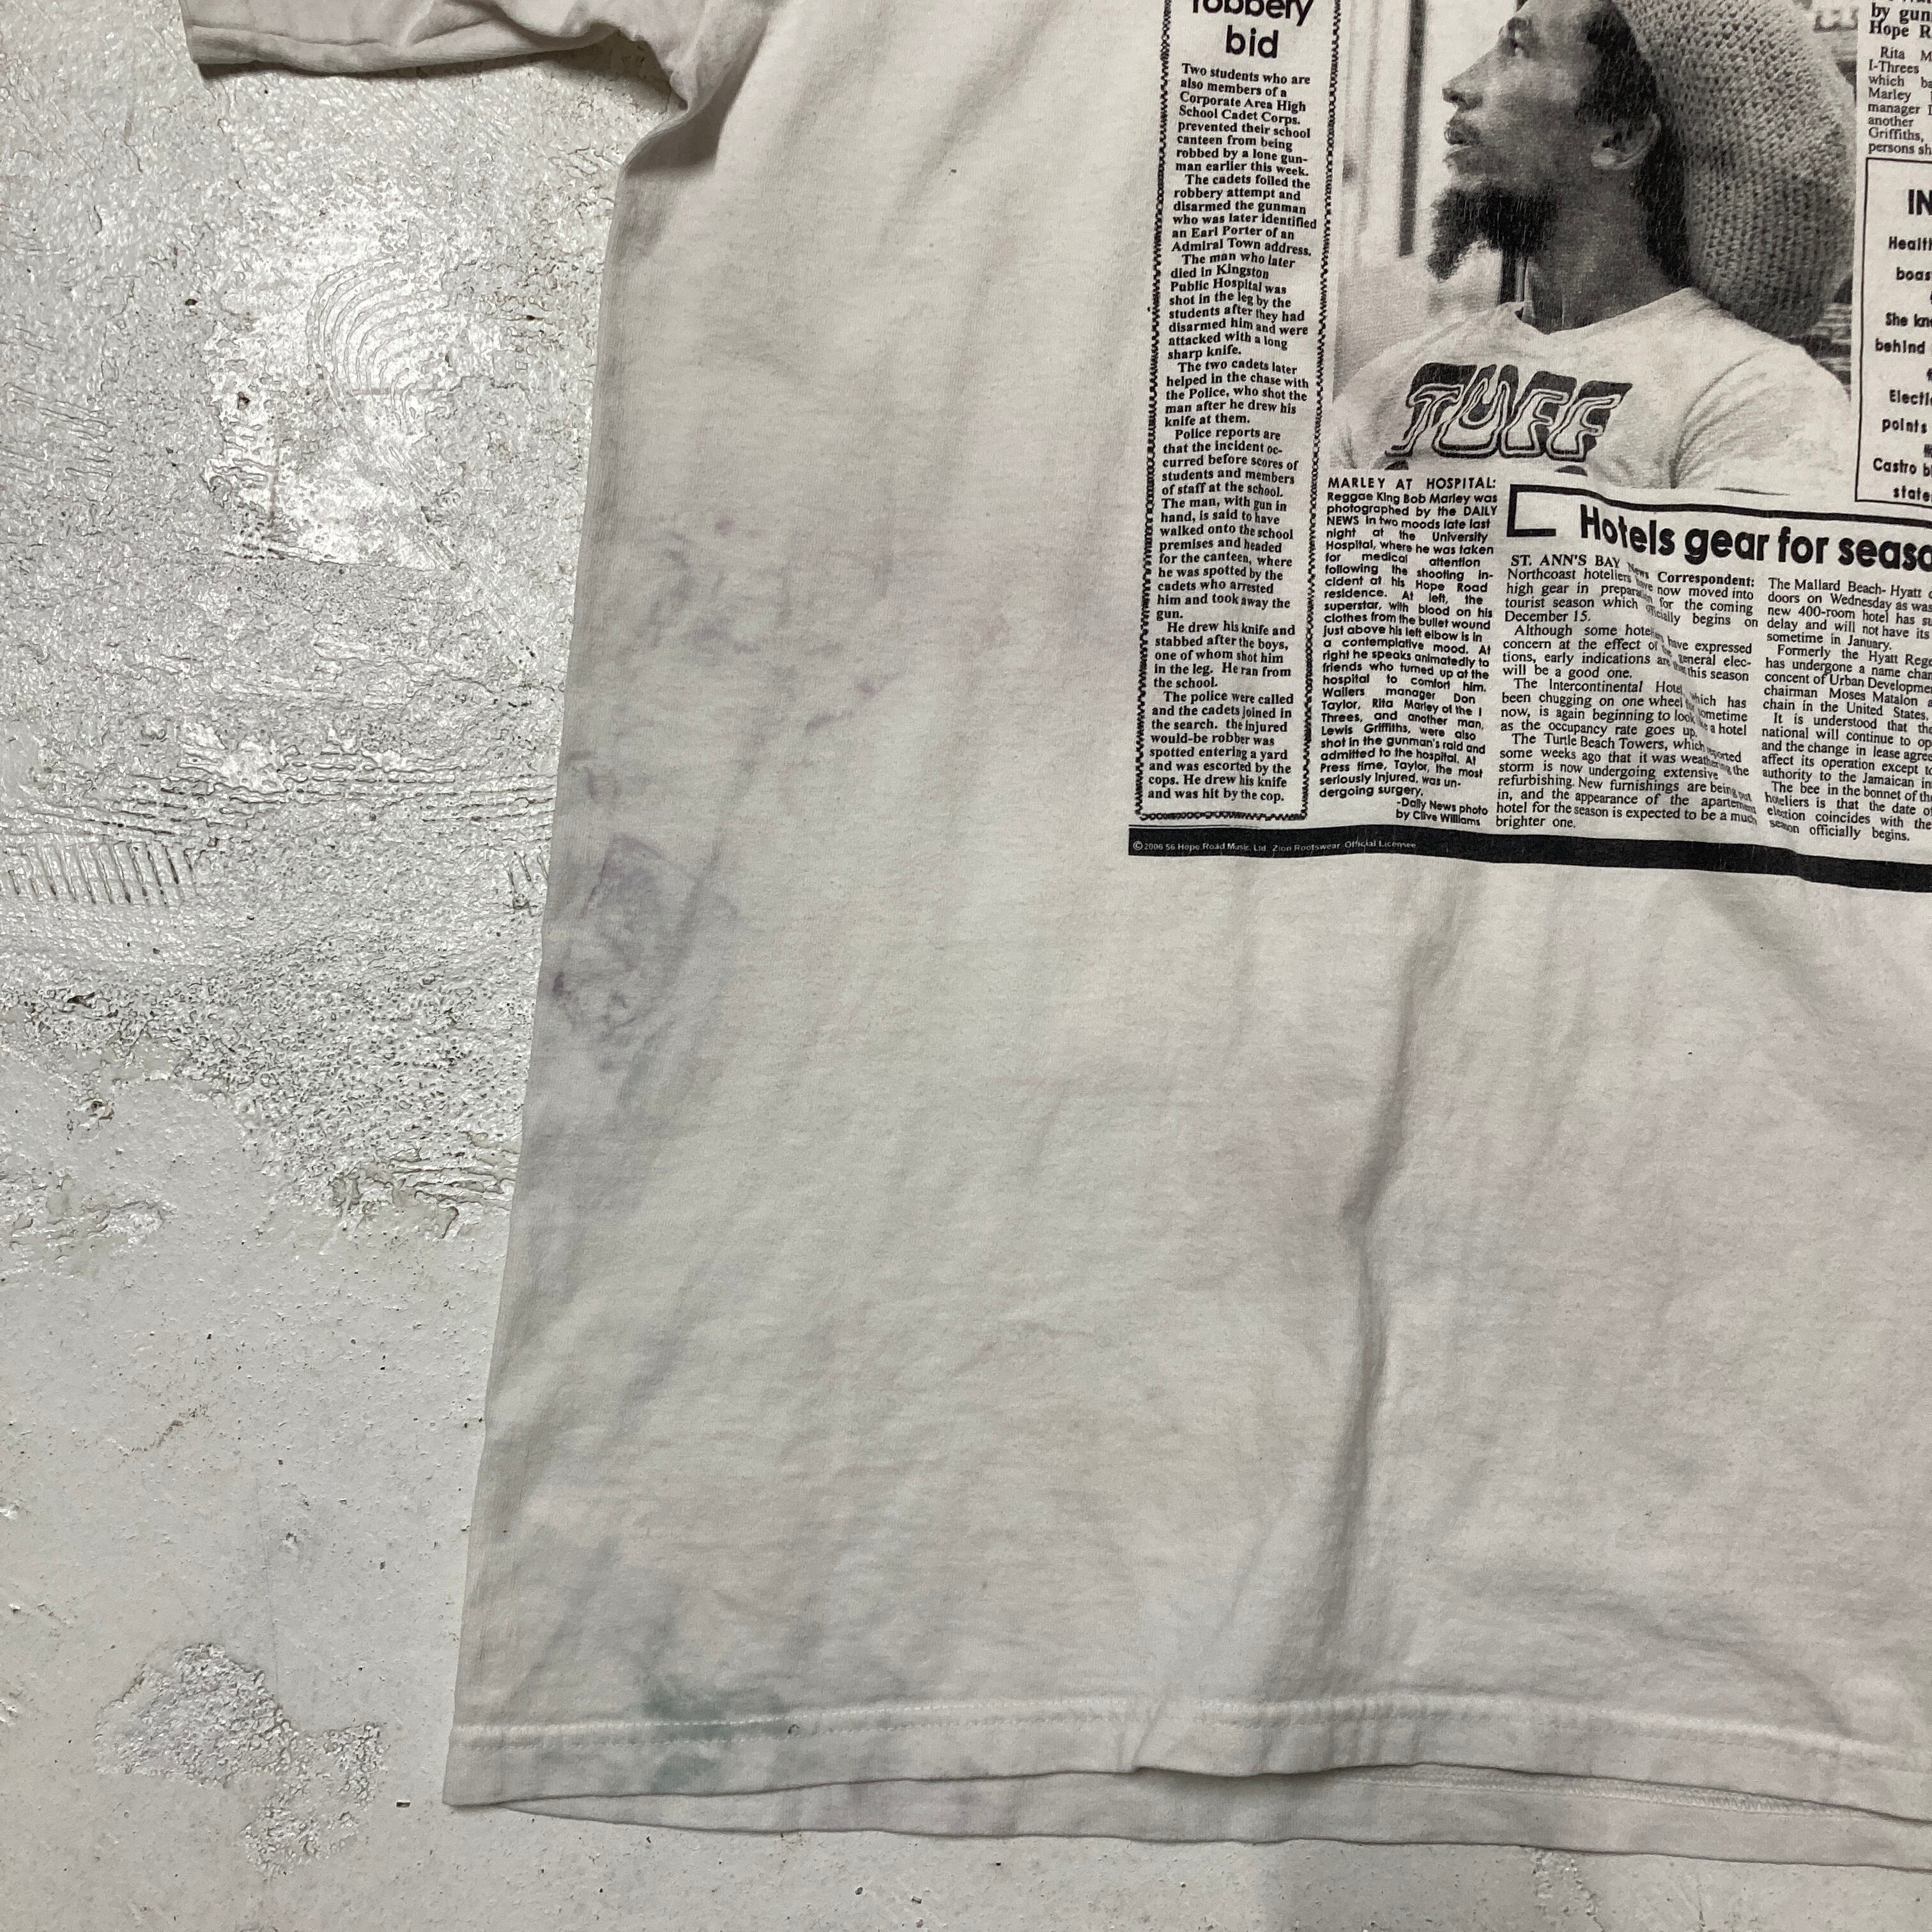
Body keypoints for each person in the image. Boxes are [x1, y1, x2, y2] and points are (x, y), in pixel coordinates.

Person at [1330, 0, 1857, 496]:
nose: (1458, 86)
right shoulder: (1390, 381)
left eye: (1516, 49)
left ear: (1619, 138)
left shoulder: (1752, 393)